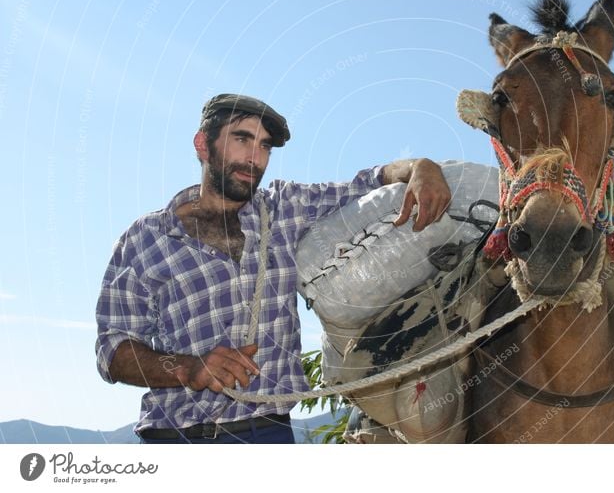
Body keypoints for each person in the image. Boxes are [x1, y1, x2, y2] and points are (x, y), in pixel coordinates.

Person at [95, 93, 452, 444]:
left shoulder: (285, 208)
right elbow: (113, 352)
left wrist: (422, 167)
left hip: (269, 434)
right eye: (242, 139)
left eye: (265, 146)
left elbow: (369, 181)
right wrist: (188, 367)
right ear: (202, 144)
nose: (255, 158)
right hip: (175, 439)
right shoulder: (145, 239)